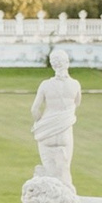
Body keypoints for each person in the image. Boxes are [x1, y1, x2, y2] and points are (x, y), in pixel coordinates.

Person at [32, 49, 81, 185]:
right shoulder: (75, 84)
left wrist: (40, 122)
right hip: (64, 131)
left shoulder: (45, 85)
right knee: (64, 172)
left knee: (49, 174)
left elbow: (34, 109)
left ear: (53, 65)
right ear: (67, 63)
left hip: (46, 131)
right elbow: (77, 103)